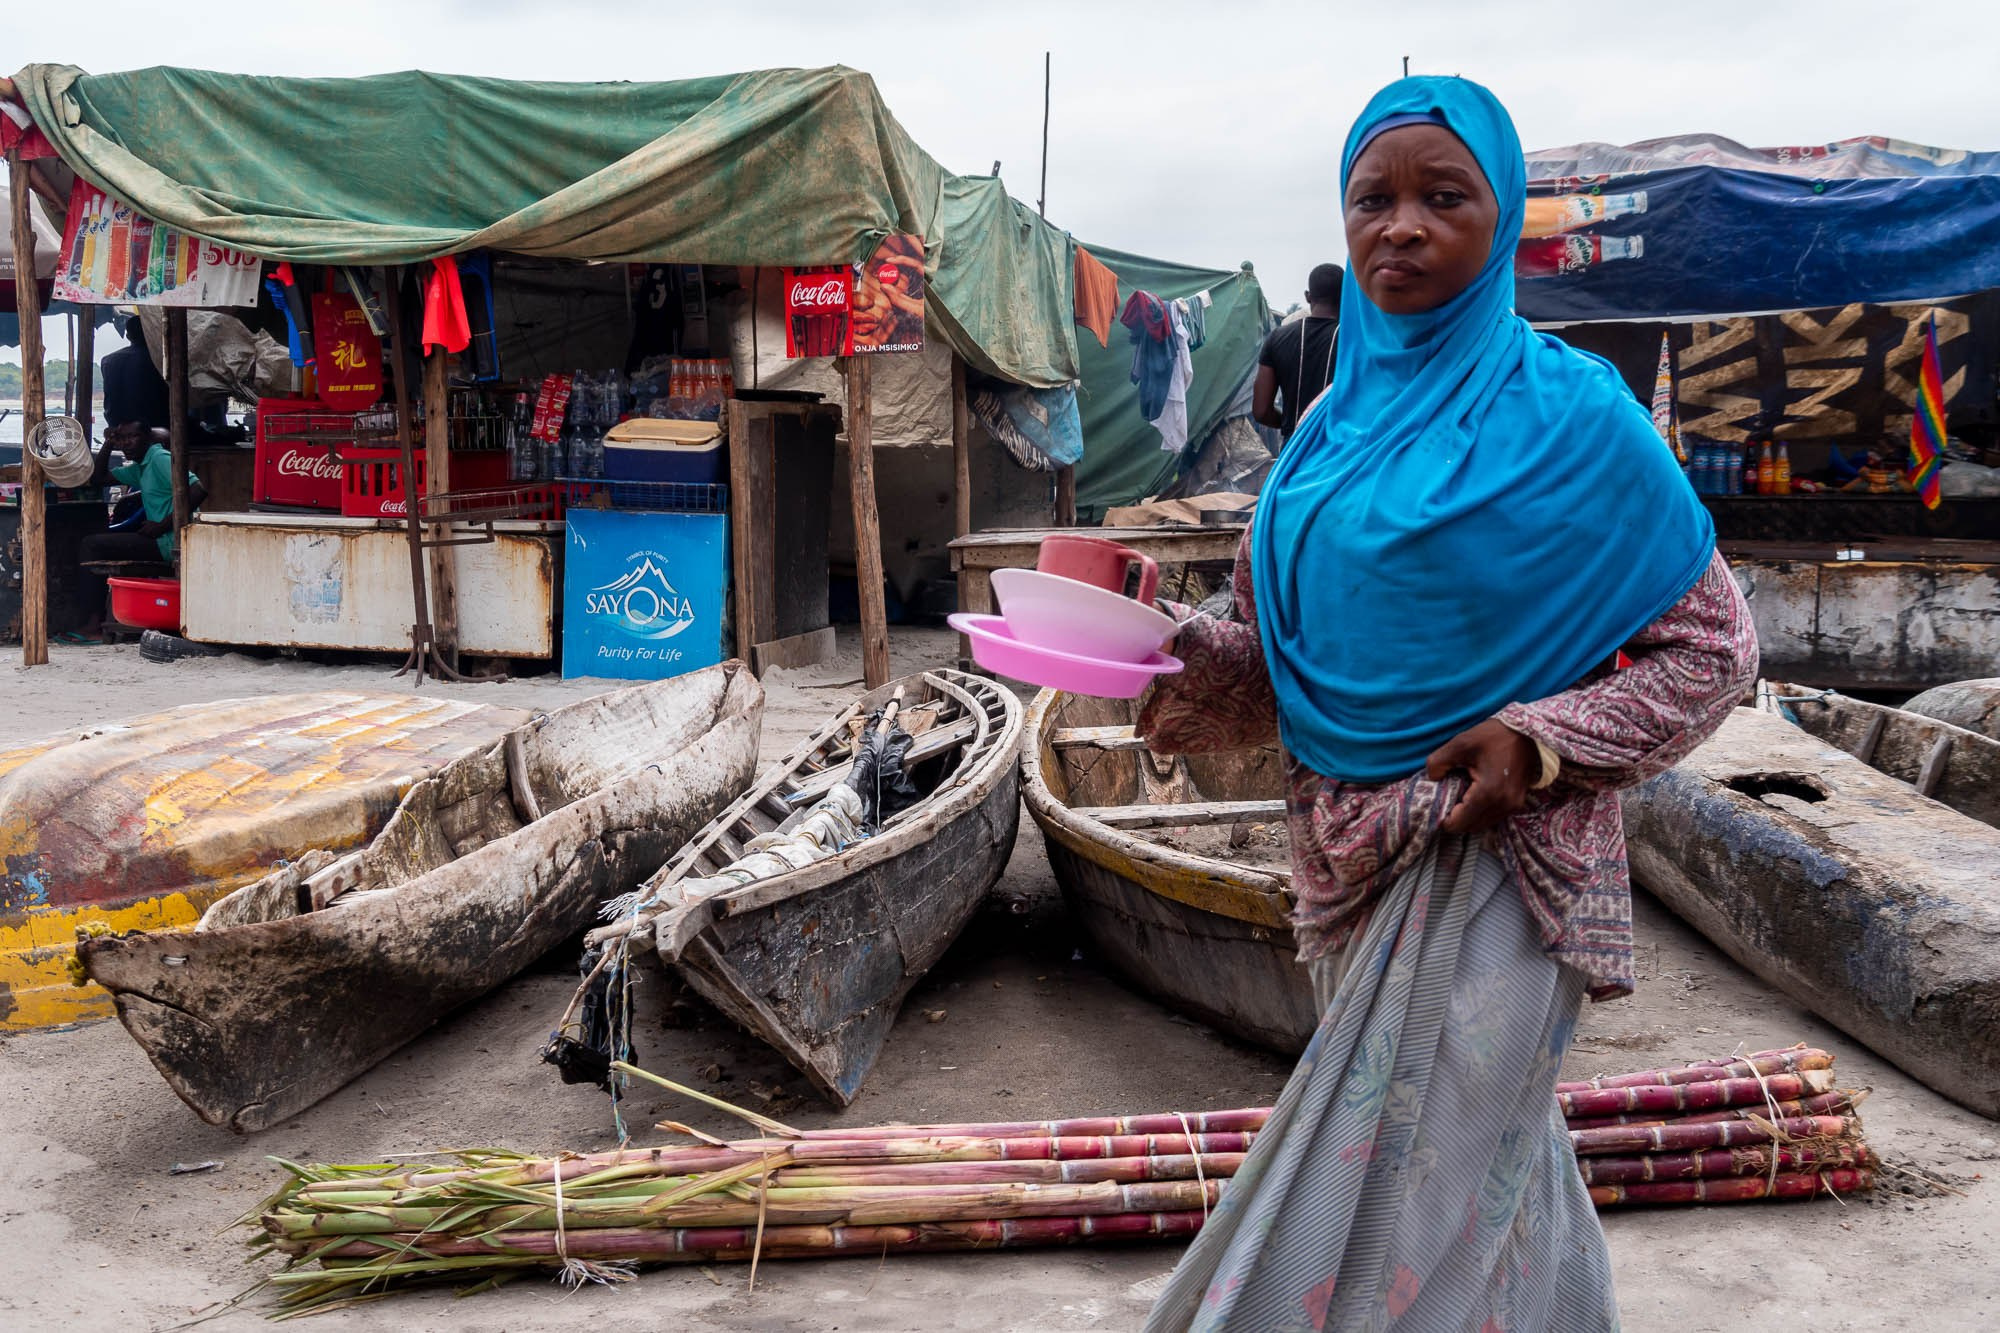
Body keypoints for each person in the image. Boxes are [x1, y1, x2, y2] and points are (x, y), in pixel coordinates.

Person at [1141, 77, 1757, 1332]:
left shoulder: (1573, 417)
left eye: (1443, 196)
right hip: (1338, 856)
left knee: (1388, 1213)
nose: (1400, 227)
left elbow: (1713, 649)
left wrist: (1538, 743)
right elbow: (1285, 648)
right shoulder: (1321, 435)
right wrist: (1162, 652)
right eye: (1372, 199)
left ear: (1501, 216)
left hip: (1496, 858)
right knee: (1485, 1180)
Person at [1252, 263, 1342, 444]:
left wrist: (1290, 424)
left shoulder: (1277, 337)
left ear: (1308, 297)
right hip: (1338, 452)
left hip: (1294, 448)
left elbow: (1261, 411)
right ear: (1346, 296)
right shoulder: (1356, 341)